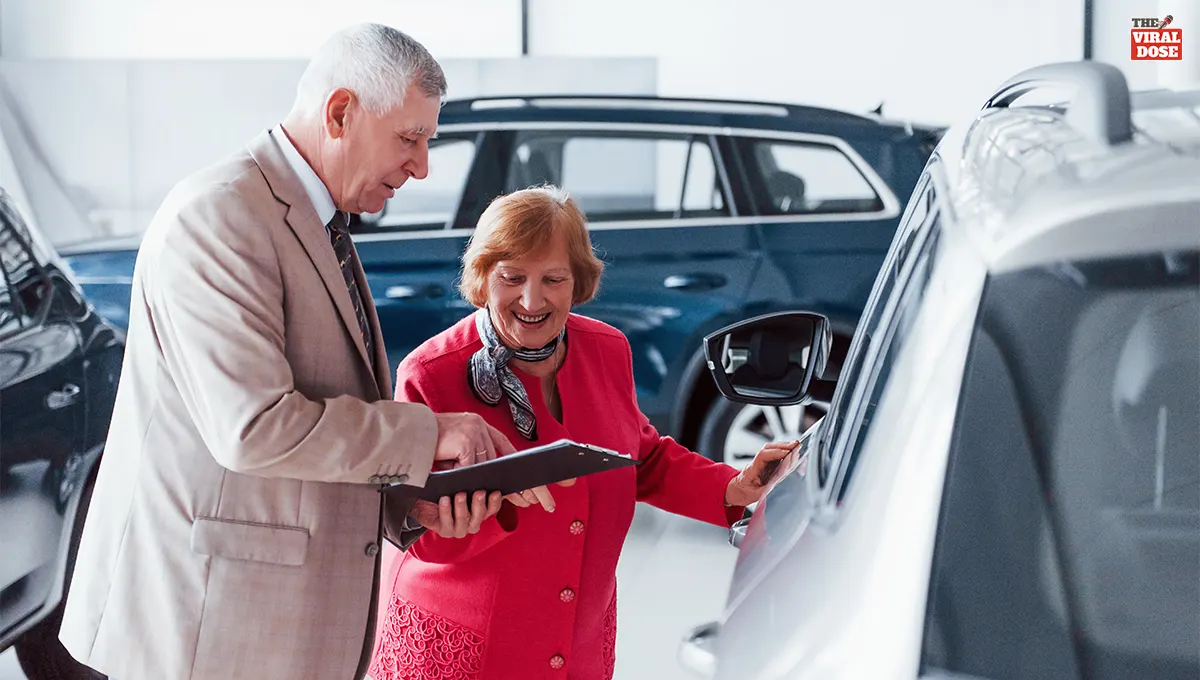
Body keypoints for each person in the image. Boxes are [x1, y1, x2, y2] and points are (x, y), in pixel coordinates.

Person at [58, 23, 516, 680]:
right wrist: (429, 433)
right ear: (340, 113)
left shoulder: (316, 219)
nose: (421, 167)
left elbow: (323, 408)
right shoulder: (220, 216)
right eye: (409, 139)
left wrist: (407, 503)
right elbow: (254, 427)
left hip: (269, 624)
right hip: (207, 628)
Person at [368, 186, 796, 680]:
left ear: (578, 281)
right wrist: (478, 512)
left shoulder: (607, 349)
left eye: (553, 279)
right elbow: (416, 534)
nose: (532, 300)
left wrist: (732, 487)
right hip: (463, 650)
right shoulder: (431, 372)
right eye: (511, 277)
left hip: (575, 645)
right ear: (483, 277)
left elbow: (640, 457)